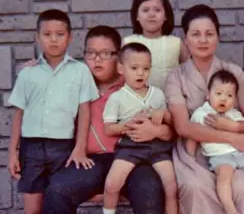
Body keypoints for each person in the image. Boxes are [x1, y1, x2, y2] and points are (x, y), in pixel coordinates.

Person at [40, 26, 172, 214]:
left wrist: (157, 131)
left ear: (119, 59)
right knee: (58, 190)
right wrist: (36, 68)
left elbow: (171, 131)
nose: (97, 59)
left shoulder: (136, 86)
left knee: (150, 190)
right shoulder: (75, 85)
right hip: (91, 162)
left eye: (105, 53)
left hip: (133, 159)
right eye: (91, 53)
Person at [164, 4, 244, 214]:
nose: (203, 40)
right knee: (195, 187)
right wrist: (229, 136)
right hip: (193, 152)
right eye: (196, 34)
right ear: (186, 38)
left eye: (209, 34)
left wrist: (233, 129)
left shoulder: (233, 72)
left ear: (218, 36)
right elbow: (183, 127)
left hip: (235, 152)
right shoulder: (176, 77)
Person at [7, 9, 99, 214]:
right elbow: (19, 115)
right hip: (31, 148)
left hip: (64, 147)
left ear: (70, 37)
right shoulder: (27, 73)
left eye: (60, 34)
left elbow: (85, 112)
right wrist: (12, 152)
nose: (54, 40)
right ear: (37, 37)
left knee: (61, 205)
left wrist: (80, 147)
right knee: (32, 209)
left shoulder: (80, 71)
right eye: (47, 34)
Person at [102, 43, 177, 214]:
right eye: (134, 68)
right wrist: (128, 124)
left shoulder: (157, 94)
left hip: (157, 146)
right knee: (112, 184)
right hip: (130, 146)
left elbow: (171, 124)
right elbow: (108, 129)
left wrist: (162, 113)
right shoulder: (117, 98)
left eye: (146, 68)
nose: (140, 73)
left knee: (171, 185)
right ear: (121, 69)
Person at [189, 70, 244, 214]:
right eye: (218, 94)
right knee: (224, 176)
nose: (223, 99)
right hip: (220, 156)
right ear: (208, 94)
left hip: (242, 153)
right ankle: (230, 209)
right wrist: (191, 159)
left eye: (229, 95)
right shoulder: (201, 113)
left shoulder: (234, 114)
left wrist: (235, 128)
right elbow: (193, 133)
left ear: (235, 100)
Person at [123, 0, 189, 89]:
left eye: (157, 10)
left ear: (166, 15)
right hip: (136, 100)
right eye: (145, 10)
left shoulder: (176, 43)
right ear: (137, 16)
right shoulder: (128, 42)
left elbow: (189, 72)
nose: (151, 15)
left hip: (170, 100)